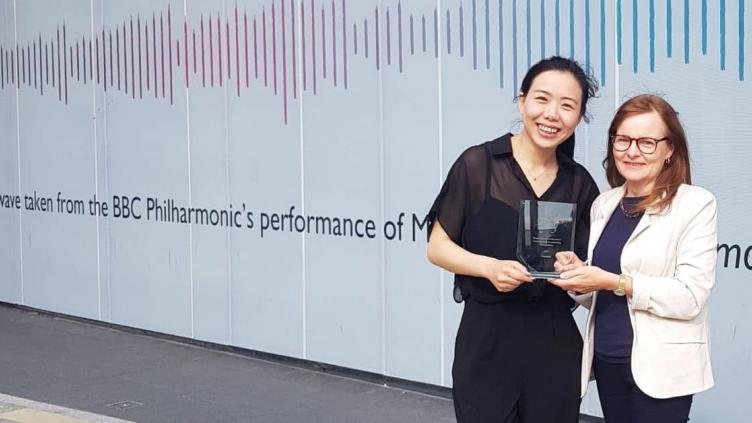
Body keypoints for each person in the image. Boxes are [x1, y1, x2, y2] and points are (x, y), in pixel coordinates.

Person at [426, 56, 599, 423]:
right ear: (522, 101)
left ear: (579, 117)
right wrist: (488, 267)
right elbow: (437, 247)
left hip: (553, 342)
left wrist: (575, 268)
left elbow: (589, 271)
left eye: (567, 105)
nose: (552, 114)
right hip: (486, 338)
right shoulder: (478, 164)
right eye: (542, 99)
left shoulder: (580, 183)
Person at [551, 94, 717, 423]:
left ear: (670, 149)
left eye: (646, 142)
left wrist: (617, 282)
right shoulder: (605, 203)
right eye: (623, 140)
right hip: (608, 357)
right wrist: (578, 276)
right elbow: (600, 293)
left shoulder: (695, 204)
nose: (632, 151)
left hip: (664, 367)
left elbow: (690, 297)